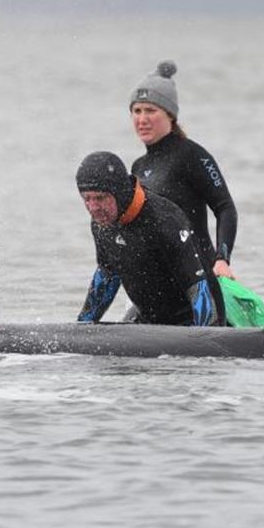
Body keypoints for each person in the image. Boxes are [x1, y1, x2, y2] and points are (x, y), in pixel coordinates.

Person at [75, 151, 223, 327]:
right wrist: (82, 327)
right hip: (148, 322)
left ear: (120, 192)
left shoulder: (164, 219)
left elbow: (198, 289)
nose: (93, 208)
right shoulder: (102, 223)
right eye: (86, 199)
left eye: (100, 198)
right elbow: (108, 275)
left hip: (191, 322)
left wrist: (205, 337)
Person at [128, 60, 238, 285]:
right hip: (160, 282)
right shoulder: (138, 167)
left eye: (150, 110)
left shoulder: (191, 154)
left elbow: (225, 207)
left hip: (200, 276)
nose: (142, 119)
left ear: (170, 115)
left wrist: (222, 259)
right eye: (136, 111)